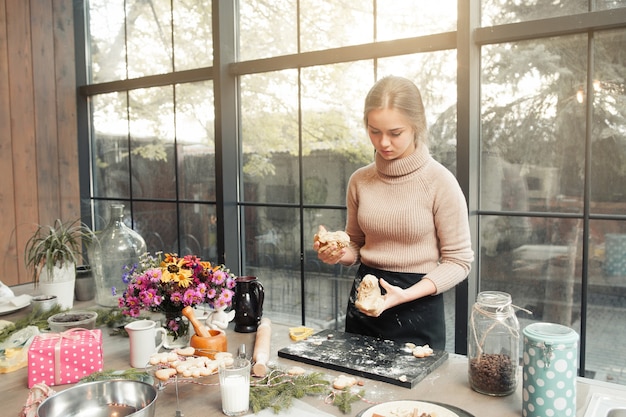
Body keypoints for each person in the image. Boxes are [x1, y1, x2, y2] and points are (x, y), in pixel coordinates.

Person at [313, 76, 474, 349]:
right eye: (374, 131)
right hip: (364, 302)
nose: (383, 142)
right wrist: (337, 252)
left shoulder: (440, 181)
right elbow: (355, 244)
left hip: (418, 306)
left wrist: (405, 295)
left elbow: (459, 262)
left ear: (416, 125)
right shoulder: (359, 180)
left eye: (395, 133)